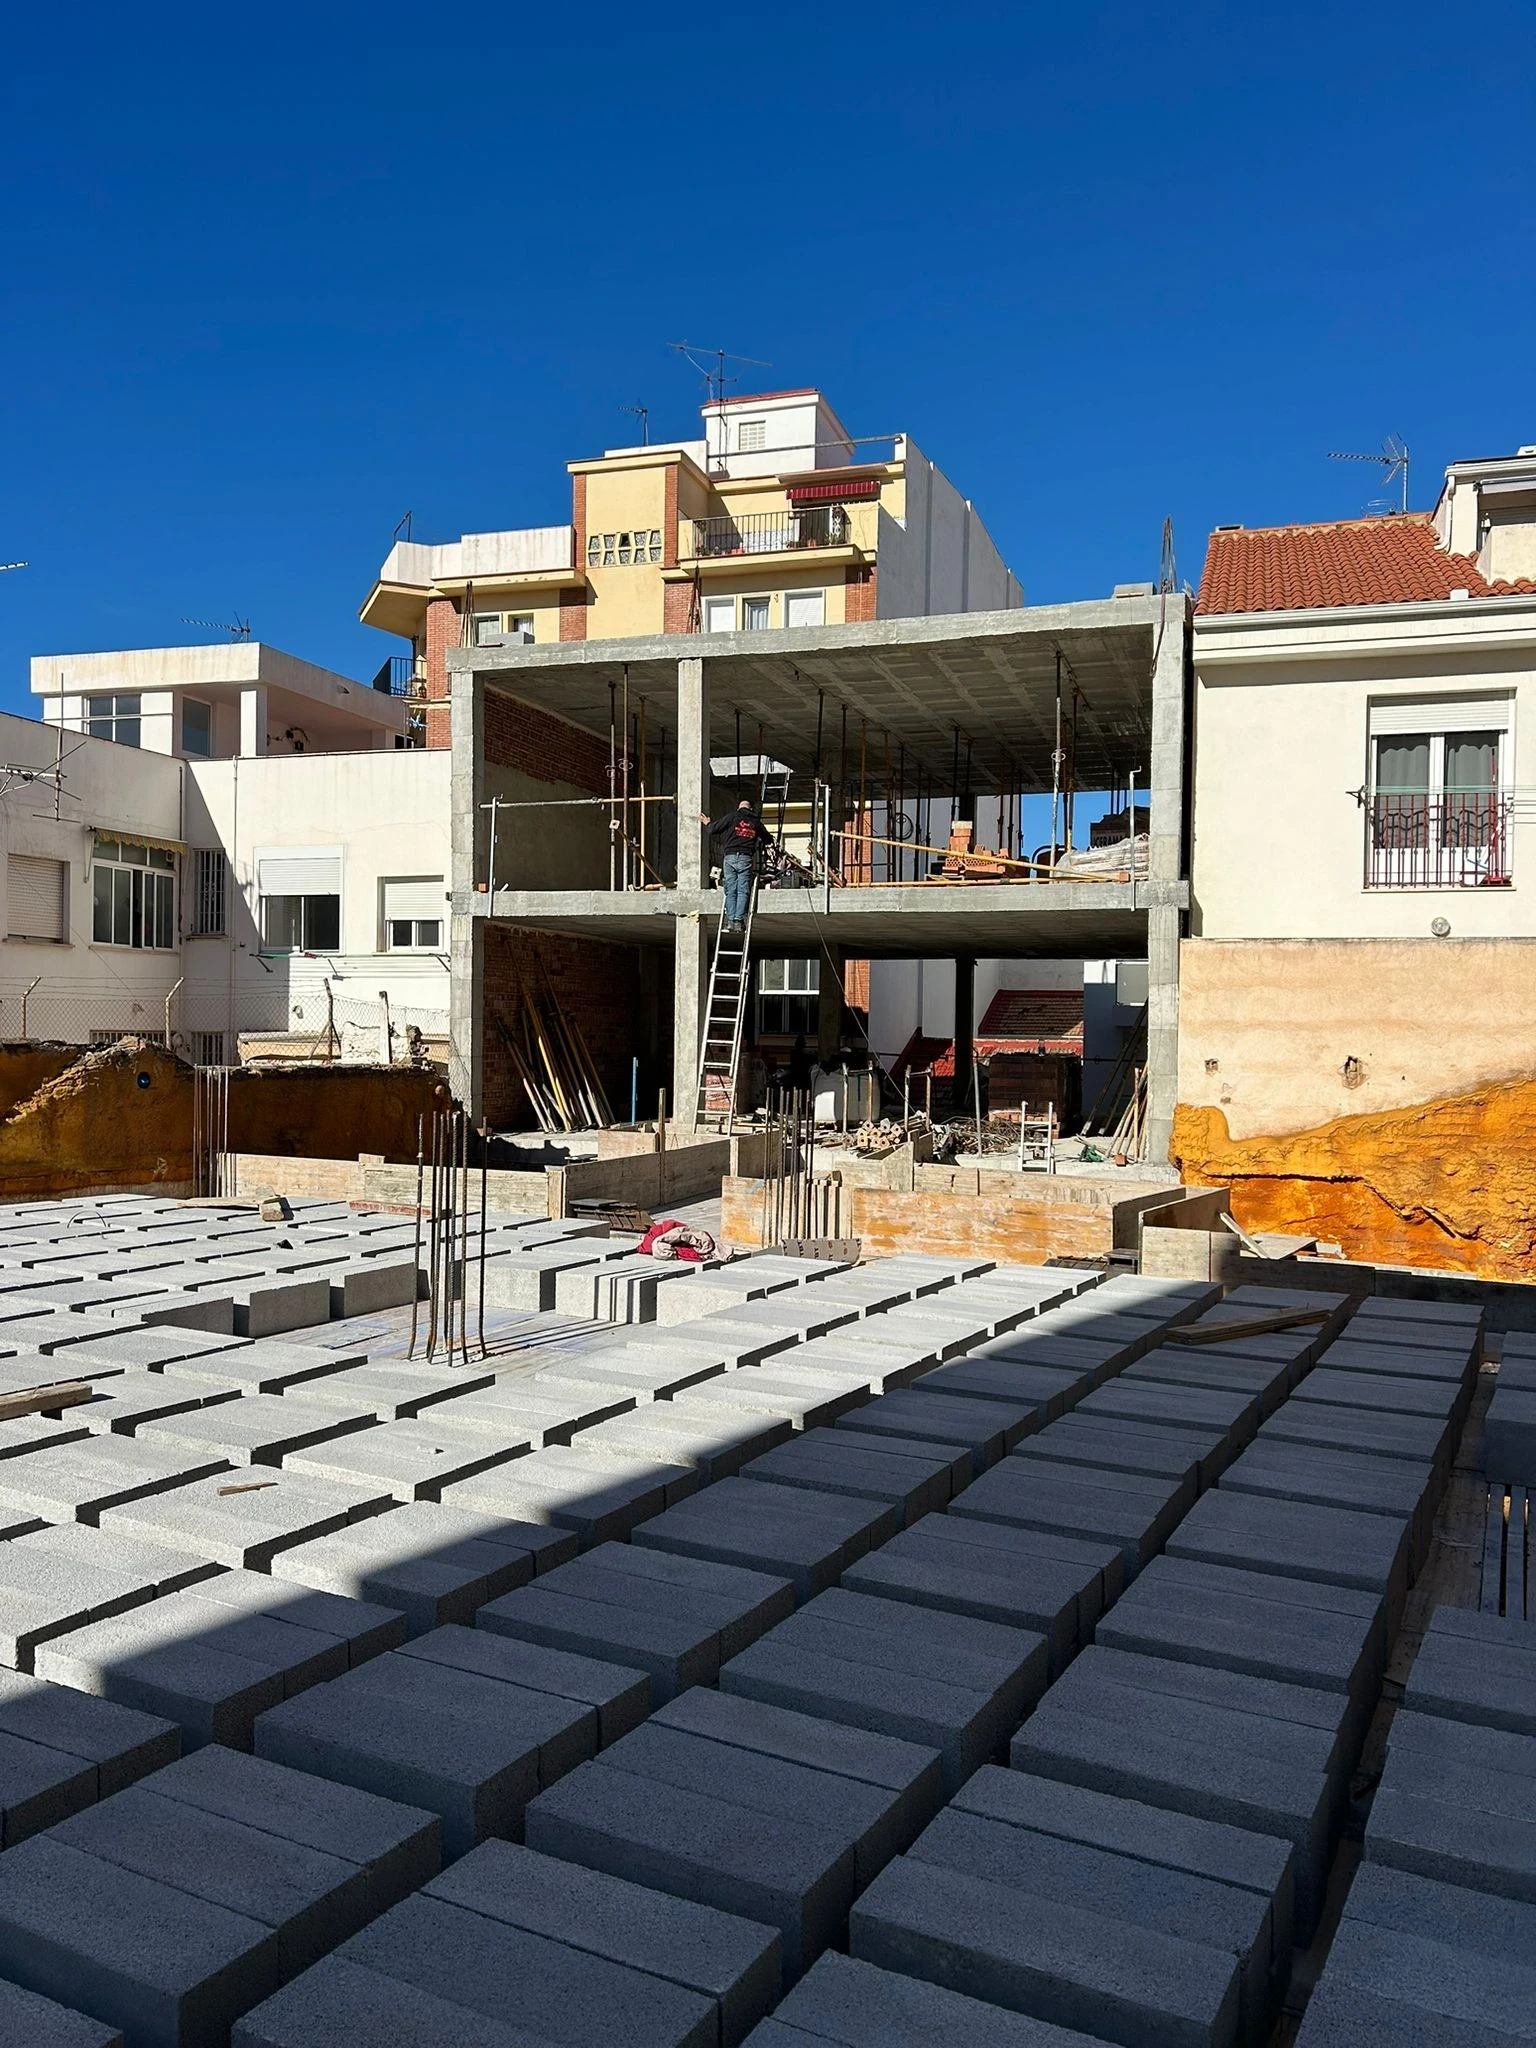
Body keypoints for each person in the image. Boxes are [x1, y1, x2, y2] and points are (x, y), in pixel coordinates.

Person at [699, 796, 771, 932]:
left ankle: (730, 921)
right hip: (745, 858)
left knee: (731, 890)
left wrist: (707, 823)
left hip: (730, 857)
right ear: (750, 809)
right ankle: (738, 921)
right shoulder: (755, 822)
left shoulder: (732, 817)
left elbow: (713, 829)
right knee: (743, 890)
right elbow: (768, 840)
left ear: (739, 808)